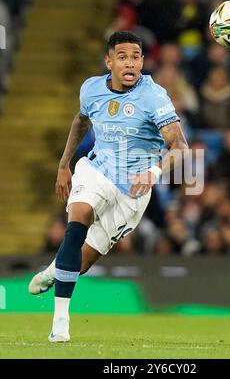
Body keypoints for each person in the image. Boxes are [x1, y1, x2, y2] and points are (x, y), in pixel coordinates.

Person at [28, 31, 189, 342]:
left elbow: (181, 146)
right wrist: (64, 165)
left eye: (136, 57)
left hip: (133, 192)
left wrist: (154, 171)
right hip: (96, 171)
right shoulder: (90, 89)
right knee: (77, 221)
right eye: (122, 57)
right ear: (109, 61)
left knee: (82, 261)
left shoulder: (154, 96)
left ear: (142, 61)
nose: (130, 63)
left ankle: (53, 271)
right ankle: (60, 324)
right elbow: (80, 121)